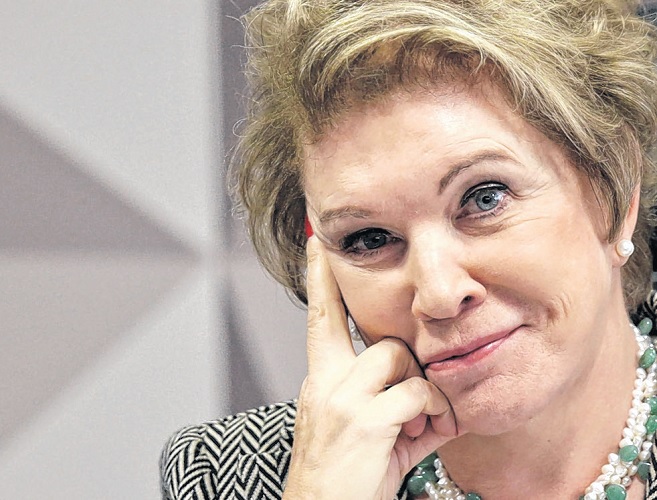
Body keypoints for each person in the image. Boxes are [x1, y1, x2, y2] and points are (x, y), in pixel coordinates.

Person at [160, 0, 657, 498]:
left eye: (484, 198)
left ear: (614, 192)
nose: (439, 294)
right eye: (369, 239)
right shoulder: (223, 475)